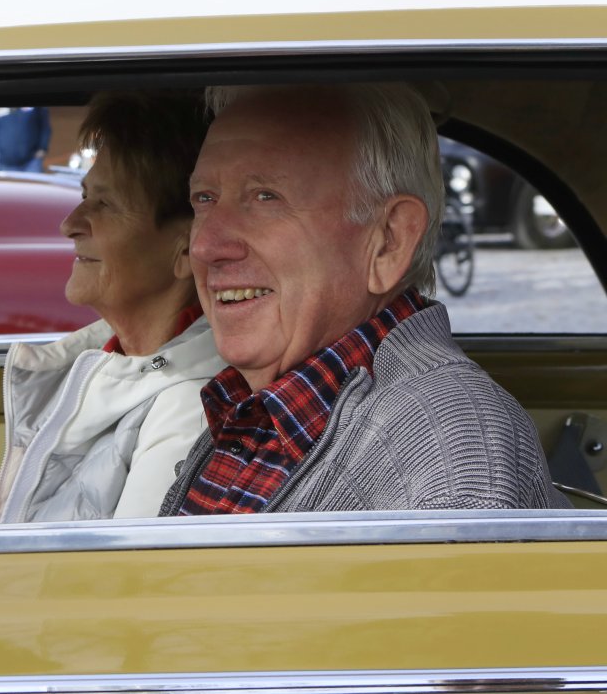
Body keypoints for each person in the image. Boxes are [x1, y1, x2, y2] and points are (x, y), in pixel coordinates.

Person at [161, 84, 564, 515]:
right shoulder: (262, 403)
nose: (204, 246)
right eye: (205, 198)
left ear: (389, 240)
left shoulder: (443, 457)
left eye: (265, 197)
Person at [0, 92, 225, 523]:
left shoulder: (189, 407)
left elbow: (126, 564)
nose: (70, 224)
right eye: (84, 196)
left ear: (186, 249)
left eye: (105, 204)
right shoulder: (102, 364)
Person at [0, 106, 51, 173]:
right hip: (5, 163)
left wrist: (43, 148)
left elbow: (45, 127)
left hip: (31, 162)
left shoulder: (37, 109)